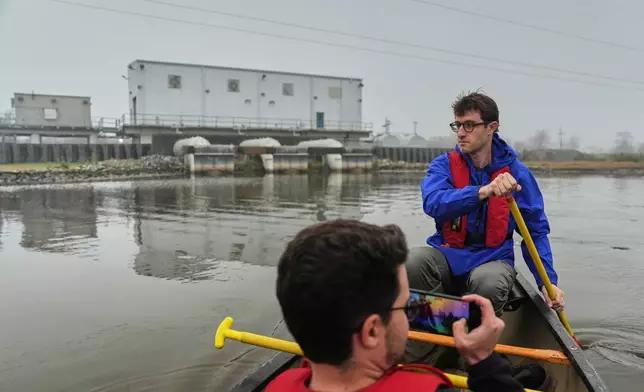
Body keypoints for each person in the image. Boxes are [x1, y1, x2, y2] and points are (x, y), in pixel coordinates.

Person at [266, 219, 524, 392]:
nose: (416, 312)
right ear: (371, 332)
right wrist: (484, 361)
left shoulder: (278, 385)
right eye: (406, 306)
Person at [407, 91, 565, 315]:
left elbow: (535, 233)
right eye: (458, 125)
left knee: (489, 283)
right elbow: (433, 203)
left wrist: (547, 283)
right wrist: (483, 191)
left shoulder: (517, 175)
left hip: (492, 260)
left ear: (491, 127)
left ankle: (475, 334)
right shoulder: (443, 166)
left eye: (469, 125)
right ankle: (437, 324)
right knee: (413, 262)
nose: (461, 133)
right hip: (448, 255)